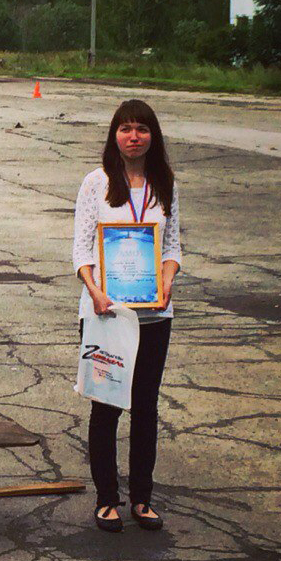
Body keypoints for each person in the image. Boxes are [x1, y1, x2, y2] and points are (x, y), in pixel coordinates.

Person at [72, 99, 182, 532]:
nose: (133, 137)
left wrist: (167, 280)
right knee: (107, 406)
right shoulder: (95, 183)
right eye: (125, 128)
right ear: (114, 135)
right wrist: (96, 292)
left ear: (153, 136)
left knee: (146, 407)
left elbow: (172, 245)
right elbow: (82, 249)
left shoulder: (165, 184)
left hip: (154, 314)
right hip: (106, 314)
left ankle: (142, 498)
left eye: (142, 129)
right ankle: (106, 499)